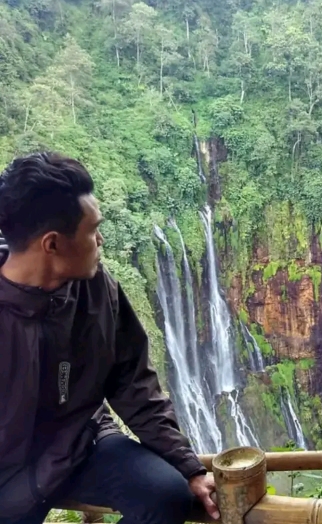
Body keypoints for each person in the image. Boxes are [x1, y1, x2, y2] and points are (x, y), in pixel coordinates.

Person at [0, 152, 219, 524]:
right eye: (92, 230)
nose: (100, 240)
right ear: (51, 244)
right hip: (7, 472)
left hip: (80, 443)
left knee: (166, 495)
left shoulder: (98, 290)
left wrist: (190, 467)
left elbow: (134, 385)